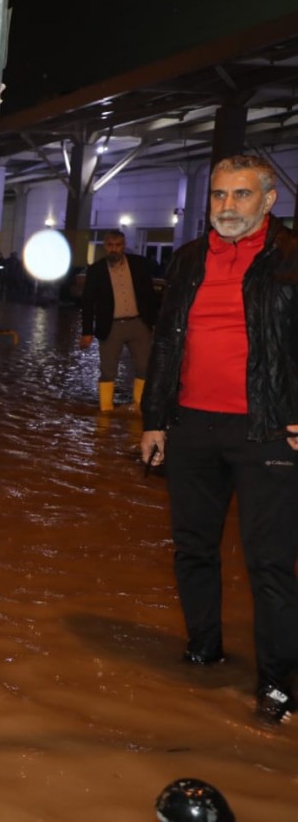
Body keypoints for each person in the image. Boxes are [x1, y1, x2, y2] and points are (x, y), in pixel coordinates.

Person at [140, 154, 298, 725]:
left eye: (241, 194)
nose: (227, 206)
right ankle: (204, 649)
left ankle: (276, 681)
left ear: (269, 199)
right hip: (190, 426)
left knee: (270, 562)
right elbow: (165, 342)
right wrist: (153, 419)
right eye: (219, 195)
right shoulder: (187, 259)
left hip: (267, 431)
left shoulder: (290, 258)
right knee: (193, 549)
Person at [79, 229, 157, 411]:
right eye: (110, 245)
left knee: (144, 367)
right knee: (108, 370)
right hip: (111, 326)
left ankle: (138, 407)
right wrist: (87, 332)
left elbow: (149, 295)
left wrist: (153, 323)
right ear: (105, 247)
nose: (114, 249)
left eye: (118, 245)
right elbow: (88, 302)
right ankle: (106, 410)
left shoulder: (139, 264)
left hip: (139, 324)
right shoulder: (96, 270)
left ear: (124, 245)